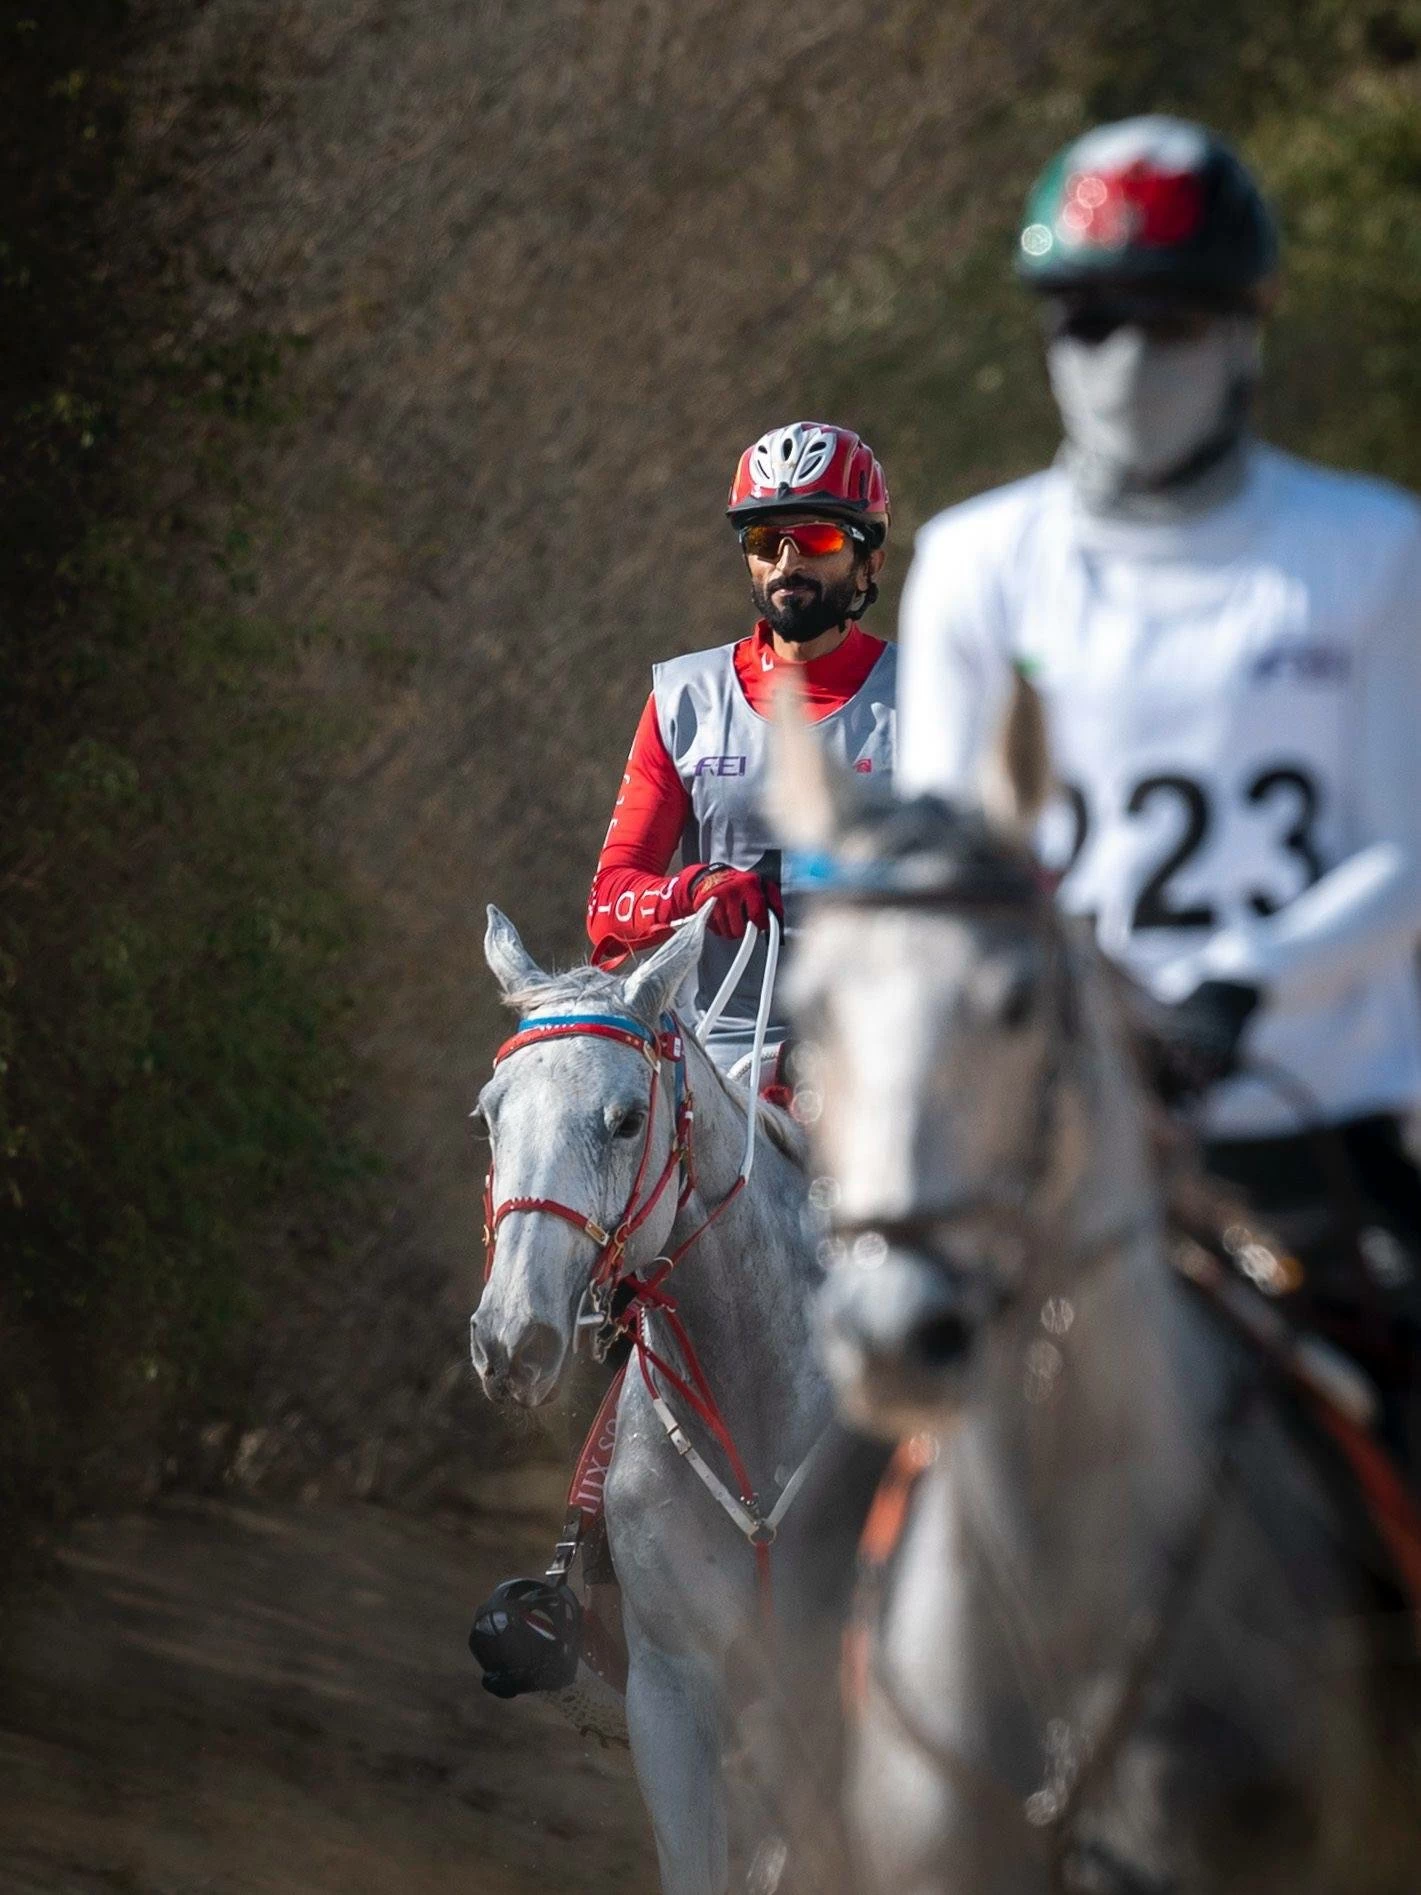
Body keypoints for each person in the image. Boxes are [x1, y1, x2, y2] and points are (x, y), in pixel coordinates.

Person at [897, 114, 1421, 1458]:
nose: (1125, 360)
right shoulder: (974, 562)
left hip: (1297, 1130)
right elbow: (938, 863)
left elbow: (1404, 849)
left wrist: (1237, 987)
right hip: (1039, 1142)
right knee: (835, 1444)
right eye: (1087, 318)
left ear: (1243, 331)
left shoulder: (1369, 553)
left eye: (1168, 319)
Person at [587, 420, 896, 1076]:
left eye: (814, 536)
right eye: (763, 539)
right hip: (720, 1070)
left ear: (869, 557)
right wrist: (692, 891)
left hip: (885, 1056)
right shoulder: (682, 698)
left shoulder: (929, 699)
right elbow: (608, 905)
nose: (787, 564)